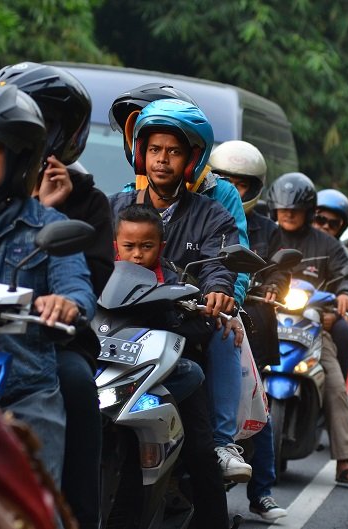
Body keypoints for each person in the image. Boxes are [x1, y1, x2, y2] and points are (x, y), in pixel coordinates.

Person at [0, 82, 96, 485]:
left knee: (36, 500)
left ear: (22, 156)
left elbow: (77, 288)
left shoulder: (49, 227)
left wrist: (65, 304)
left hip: (24, 392)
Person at [0, 62, 109, 529]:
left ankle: (75, 514)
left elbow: (89, 279)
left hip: (47, 340)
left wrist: (42, 213)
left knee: (75, 382)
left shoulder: (86, 202)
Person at [108, 98, 252, 482]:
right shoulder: (117, 205)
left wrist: (219, 293)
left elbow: (220, 262)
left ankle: (222, 446)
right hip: (118, 321)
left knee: (225, 327)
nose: (162, 159)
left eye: (173, 152)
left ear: (191, 159)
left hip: (181, 322)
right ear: (141, 153)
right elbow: (86, 255)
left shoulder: (212, 213)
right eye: (155, 149)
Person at [114, 204, 229, 529]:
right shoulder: (100, 275)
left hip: (166, 374)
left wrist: (180, 317)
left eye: (146, 246)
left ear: (160, 246)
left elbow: (203, 324)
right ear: (116, 245)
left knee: (202, 451)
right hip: (114, 374)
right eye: (129, 246)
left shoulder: (178, 280)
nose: (137, 254)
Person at [266, 173, 348, 484]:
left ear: (310, 211)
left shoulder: (328, 244)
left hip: (310, 326)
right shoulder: (266, 235)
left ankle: (345, 462)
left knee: (336, 386)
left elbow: (345, 276)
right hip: (264, 321)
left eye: (294, 210)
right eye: (283, 210)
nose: (288, 215)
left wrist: (346, 294)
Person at [209, 140, 288, 521]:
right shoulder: (203, 210)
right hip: (202, 310)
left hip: (250, 319)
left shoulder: (267, 228)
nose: (232, 190)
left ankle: (262, 493)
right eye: (224, 180)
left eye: (241, 184)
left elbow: (278, 269)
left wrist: (274, 284)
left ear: (254, 187)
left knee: (256, 405)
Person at [314, 188, 348, 378]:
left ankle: (336, 383)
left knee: (343, 331)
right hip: (280, 308)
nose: (325, 226)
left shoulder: (341, 252)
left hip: (323, 314)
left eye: (333, 223)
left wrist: (345, 294)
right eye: (320, 219)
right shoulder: (291, 238)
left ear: (342, 227)